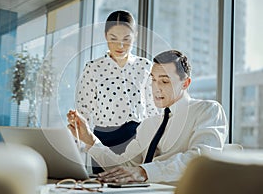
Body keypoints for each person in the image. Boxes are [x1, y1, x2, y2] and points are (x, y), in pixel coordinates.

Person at [67, 49, 229, 184]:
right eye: (153, 80)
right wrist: (90, 140)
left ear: (185, 84)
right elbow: (125, 166)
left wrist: (144, 172)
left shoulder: (208, 111)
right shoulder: (149, 124)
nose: (156, 88)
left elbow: (199, 161)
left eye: (165, 82)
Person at [74, 10, 157, 172]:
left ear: (135, 36)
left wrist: (156, 142)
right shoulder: (93, 68)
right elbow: (83, 109)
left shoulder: (145, 67)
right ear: (105, 36)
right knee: (102, 185)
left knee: (131, 185)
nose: (120, 45)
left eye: (127, 39)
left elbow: (153, 109)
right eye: (113, 39)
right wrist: (78, 144)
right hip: (102, 138)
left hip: (136, 139)